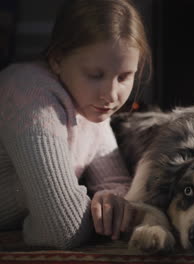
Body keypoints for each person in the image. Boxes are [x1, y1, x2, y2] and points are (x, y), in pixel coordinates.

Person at [0, 0, 152, 249]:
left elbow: (119, 187)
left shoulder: (90, 106)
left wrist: (111, 200)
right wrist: (100, 211)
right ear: (58, 60)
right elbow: (61, 227)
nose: (112, 95)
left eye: (124, 77)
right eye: (95, 75)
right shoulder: (29, 93)